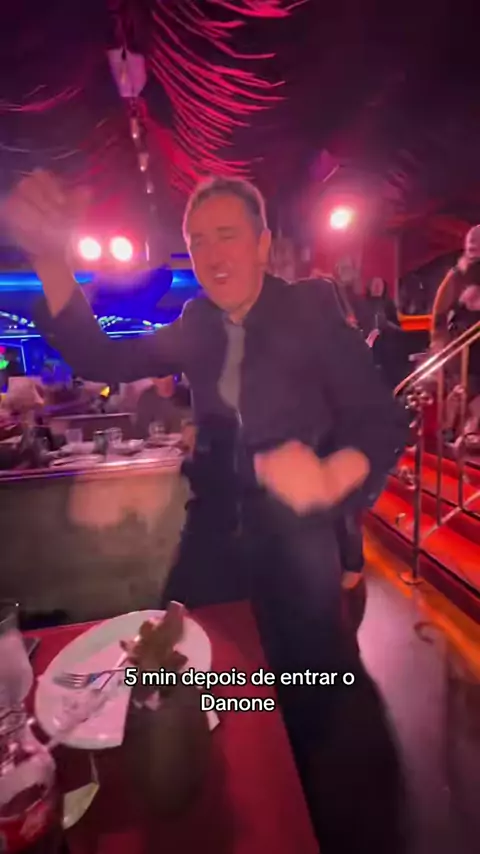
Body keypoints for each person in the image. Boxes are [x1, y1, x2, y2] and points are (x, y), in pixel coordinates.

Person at [3, 171, 409, 852]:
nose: (213, 254)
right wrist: (49, 257)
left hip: (296, 527)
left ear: (262, 244)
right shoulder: (196, 323)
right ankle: (210, 787)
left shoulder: (309, 309)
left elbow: (379, 420)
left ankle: (314, 810)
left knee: (309, 685)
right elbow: (99, 354)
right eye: (198, 241)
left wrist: (331, 473)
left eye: (227, 235)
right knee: (174, 664)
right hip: (215, 527)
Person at [133, 375, 191, 439]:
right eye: (160, 377)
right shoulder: (147, 398)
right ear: (152, 379)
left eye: (169, 376)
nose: (165, 380)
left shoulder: (188, 395)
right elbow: (140, 433)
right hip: (156, 444)